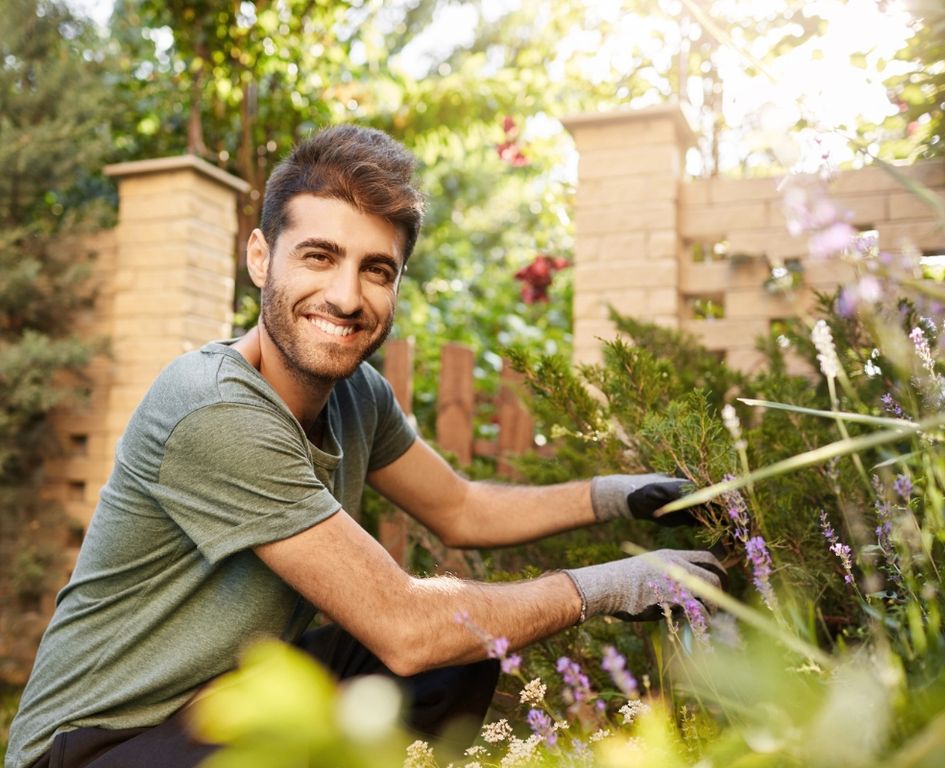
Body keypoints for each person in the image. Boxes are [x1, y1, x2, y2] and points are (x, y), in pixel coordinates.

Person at [5, 125, 724, 768]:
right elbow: (406, 626)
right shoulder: (212, 407)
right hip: (94, 746)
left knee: (454, 660)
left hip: (219, 715)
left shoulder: (356, 396)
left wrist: (622, 495)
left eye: (376, 270)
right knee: (428, 639)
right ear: (261, 257)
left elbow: (465, 508)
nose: (347, 297)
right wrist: (617, 585)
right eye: (319, 256)